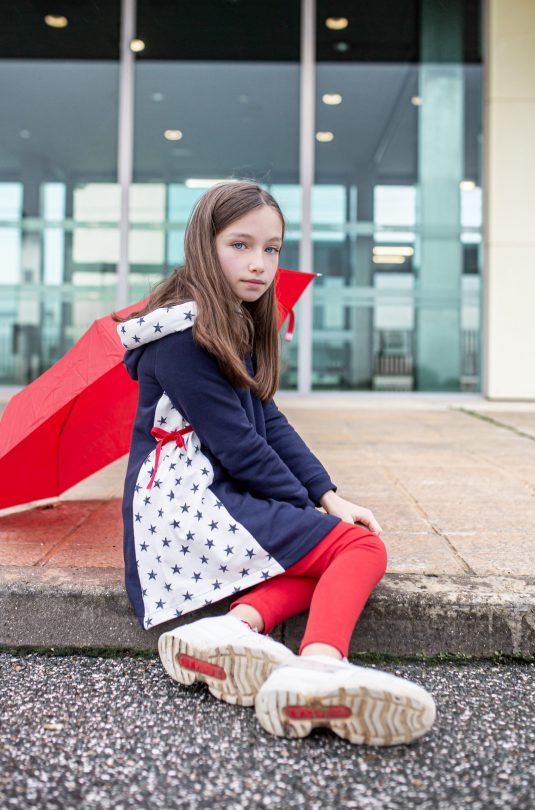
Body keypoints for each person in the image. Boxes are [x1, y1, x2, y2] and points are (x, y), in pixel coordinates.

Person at [113, 180, 436, 746]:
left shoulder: (231, 322)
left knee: (331, 548)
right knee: (359, 549)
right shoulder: (184, 338)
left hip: (216, 492)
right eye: (240, 245)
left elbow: (270, 420)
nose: (259, 263)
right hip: (188, 503)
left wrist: (327, 496)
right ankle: (319, 667)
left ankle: (231, 630)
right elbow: (240, 446)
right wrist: (311, 517)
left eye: (271, 248)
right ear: (204, 245)